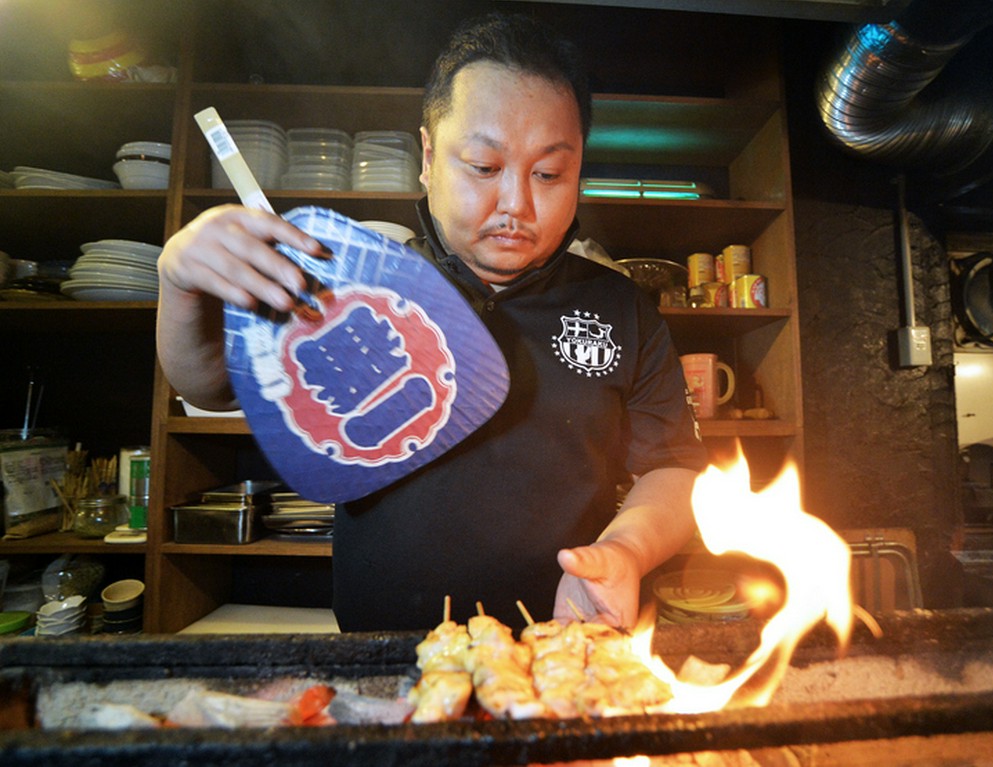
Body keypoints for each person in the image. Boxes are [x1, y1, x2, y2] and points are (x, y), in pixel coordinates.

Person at [157, 12, 707, 632]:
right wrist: (178, 281)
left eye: (549, 174)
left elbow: (674, 466)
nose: (516, 204)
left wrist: (624, 550)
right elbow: (208, 387)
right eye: (483, 166)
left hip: (562, 640)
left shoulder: (623, 308)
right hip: (383, 647)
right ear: (427, 156)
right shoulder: (354, 286)